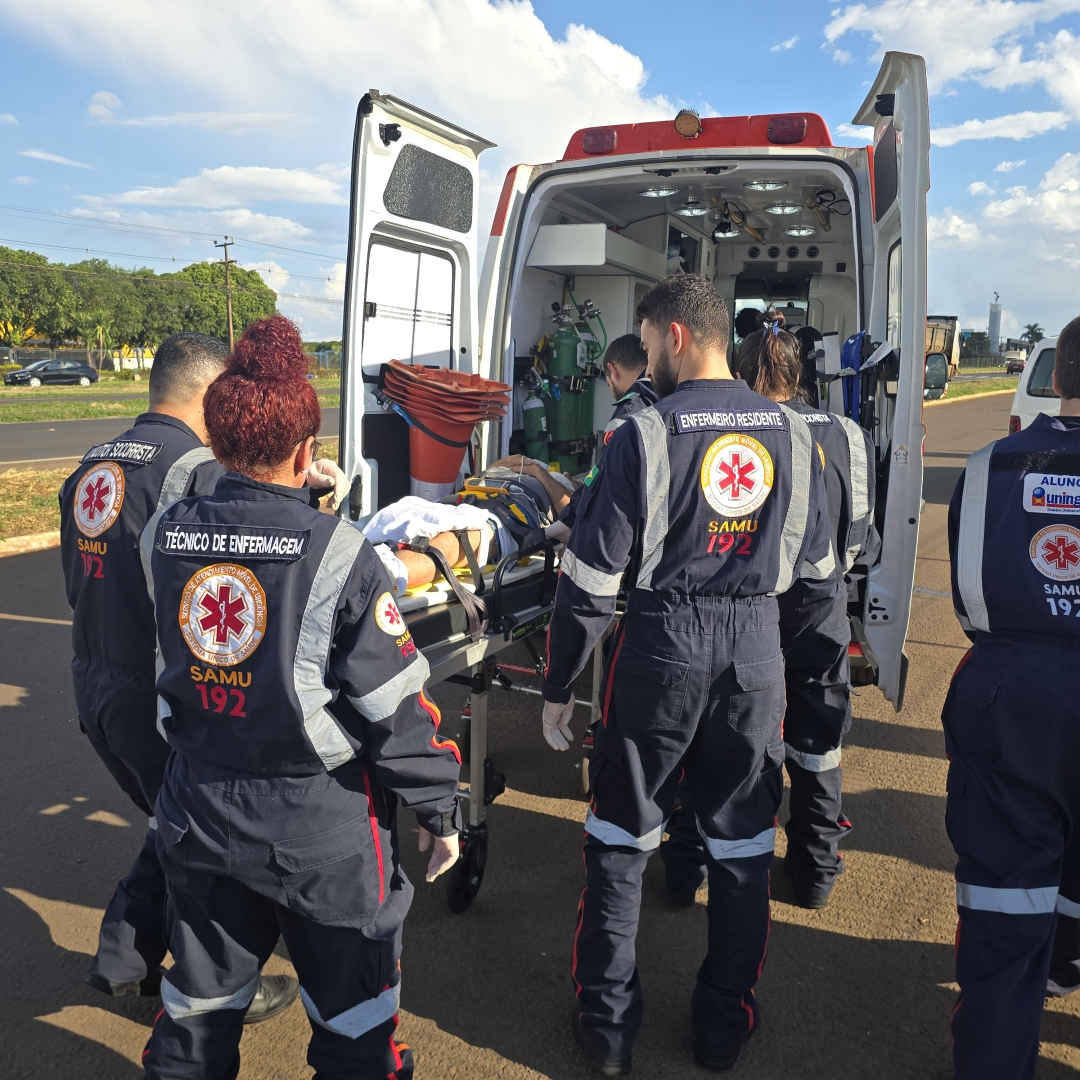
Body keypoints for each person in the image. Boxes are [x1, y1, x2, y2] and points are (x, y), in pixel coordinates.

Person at [139, 315, 462, 1080]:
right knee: (355, 1031)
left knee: (196, 1020)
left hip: (198, 812)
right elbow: (395, 709)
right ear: (306, 452)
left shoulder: (163, 534)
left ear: (216, 445)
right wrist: (441, 806)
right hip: (320, 834)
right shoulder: (339, 552)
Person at [540, 275, 834, 1075]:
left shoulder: (640, 434)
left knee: (619, 838)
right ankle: (721, 1026)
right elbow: (815, 584)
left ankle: (605, 1033)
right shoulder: (797, 435)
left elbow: (592, 587)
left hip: (662, 646)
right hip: (754, 652)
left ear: (672, 336)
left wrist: (560, 681)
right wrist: (782, 665)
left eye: (646, 335)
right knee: (741, 847)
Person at [58, 332, 299, 1020]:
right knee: (207, 841)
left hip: (94, 681)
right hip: (157, 696)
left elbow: (78, 583)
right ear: (212, 393)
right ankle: (217, 992)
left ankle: (124, 957)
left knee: (173, 818)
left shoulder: (93, 464)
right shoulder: (192, 469)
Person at [660, 309, 878, 909]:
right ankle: (814, 874)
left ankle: (686, 867)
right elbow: (860, 539)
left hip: (741, 613)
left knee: (712, 742)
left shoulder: (741, 432)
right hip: (820, 608)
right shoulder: (850, 436)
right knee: (818, 744)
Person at [943, 314, 1080, 1079]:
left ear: (1058, 377)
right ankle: (1066, 962)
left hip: (1013, 693)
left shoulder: (994, 465)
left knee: (1004, 901)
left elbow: (969, 604)